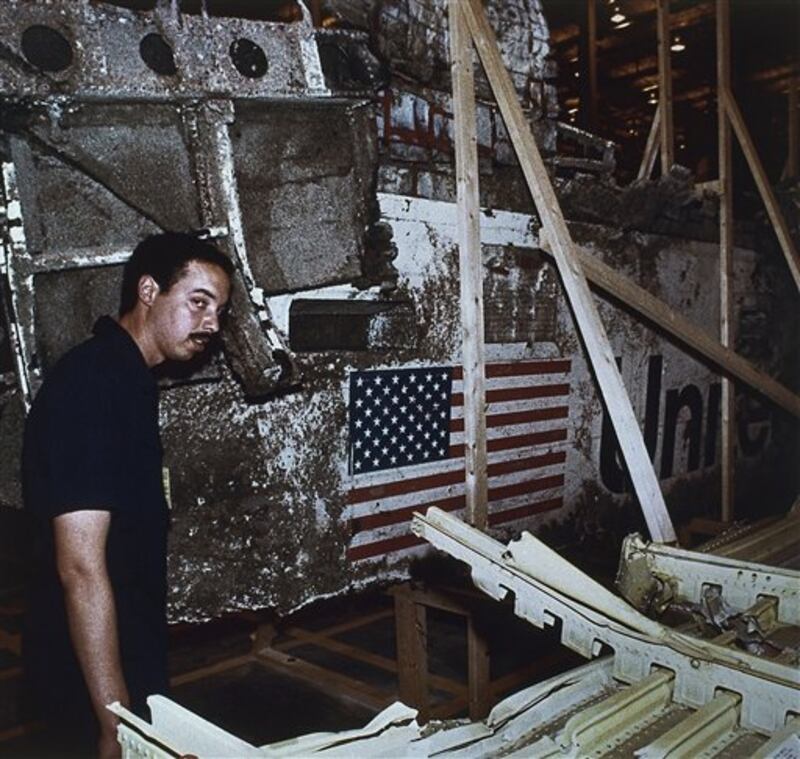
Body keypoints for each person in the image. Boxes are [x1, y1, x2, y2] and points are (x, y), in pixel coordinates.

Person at [22, 232, 233, 758]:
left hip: (121, 659)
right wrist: (116, 724)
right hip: (85, 682)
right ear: (148, 290)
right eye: (198, 302)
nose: (212, 323)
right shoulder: (92, 387)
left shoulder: (126, 379)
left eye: (220, 310)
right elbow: (80, 568)